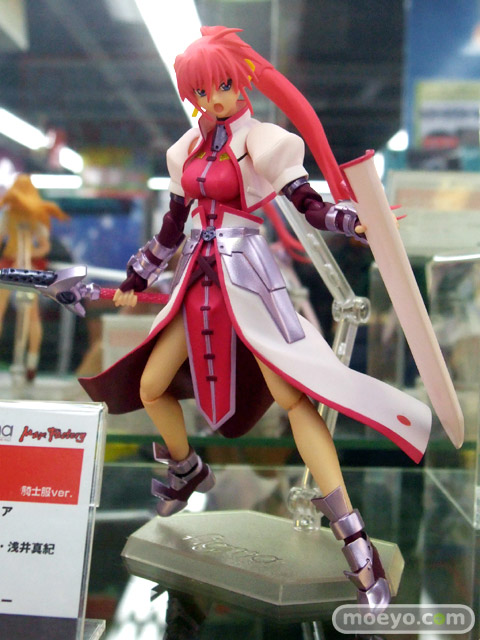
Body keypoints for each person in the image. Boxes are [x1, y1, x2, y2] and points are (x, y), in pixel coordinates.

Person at [80, 26, 432, 610]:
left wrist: (351, 221)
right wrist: (137, 277)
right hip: (196, 281)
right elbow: (172, 227)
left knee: (293, 398)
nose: (214, 100)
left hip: (245, 280)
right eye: (202, 92)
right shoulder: (185, 149)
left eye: (222, 86)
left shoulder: (264, 141)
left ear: (239, 81)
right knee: (150, 385)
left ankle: (354, 538)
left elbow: (307, 203)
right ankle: (187, 469)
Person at [0, 175, 69, 380]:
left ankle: (31, 361)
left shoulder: (36, 217)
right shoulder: (8, 216)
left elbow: (44, 247)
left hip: (29, 265)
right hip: (9, 263)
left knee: (31, 314)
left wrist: (29, 254)